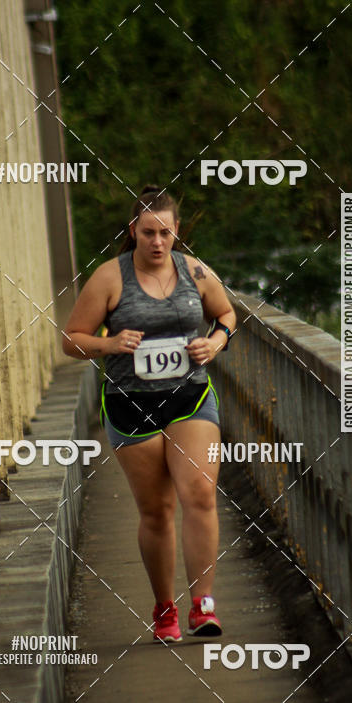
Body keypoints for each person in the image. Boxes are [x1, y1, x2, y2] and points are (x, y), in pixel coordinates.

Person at [62, 186, 236, 643]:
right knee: (157, 511)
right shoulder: (109, 278)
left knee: (199, 493)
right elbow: (71, 339)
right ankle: (165, 609)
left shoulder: (195, 271)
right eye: (147, 233)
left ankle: (203, 606)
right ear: (132, 232)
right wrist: (108, 344)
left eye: (164, 232)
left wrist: (214, 343)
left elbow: (226, 315)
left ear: (176, 231)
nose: (157, 242)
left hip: (190, 398)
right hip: (130, 405)